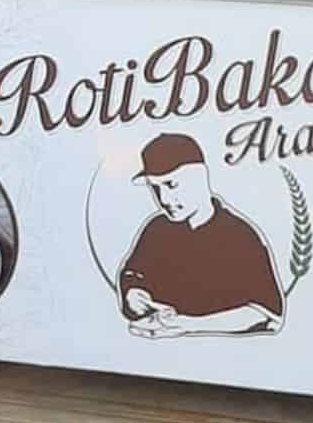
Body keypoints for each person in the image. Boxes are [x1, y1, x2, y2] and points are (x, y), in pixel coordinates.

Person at [118, 133, 284, 338]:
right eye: (155, 187)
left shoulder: (241, 236)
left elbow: (267, 312)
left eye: (171, 184)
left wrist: (191, 325)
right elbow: (133, 274)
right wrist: (134, 296)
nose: (164, 199)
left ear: (200, 176)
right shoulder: (156, 229)